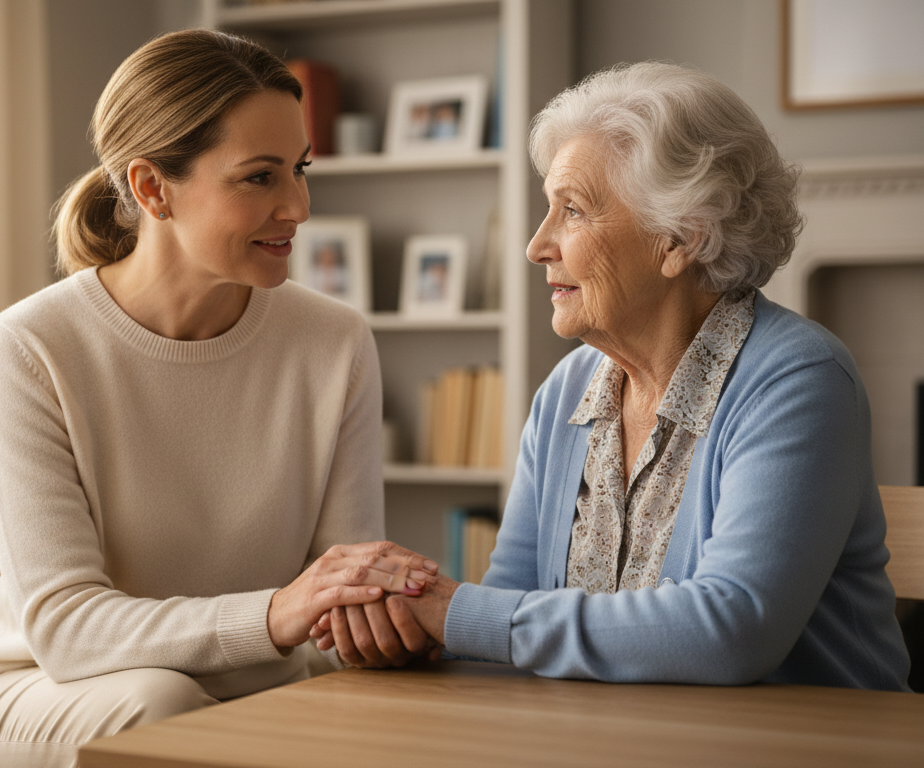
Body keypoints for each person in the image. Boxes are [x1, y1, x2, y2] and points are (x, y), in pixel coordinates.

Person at [313, 61, 911, 690]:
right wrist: (413, 630)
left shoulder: (798, 382)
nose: (537, 246)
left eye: (572, 211)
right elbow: (508, 612)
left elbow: (731, 631)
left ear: (680, 237)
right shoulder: (568, 392)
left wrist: (453, 612)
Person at [0, 29, 437, 768]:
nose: (299, 206)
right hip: (42, 693)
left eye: (299, 170)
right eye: (260, 177)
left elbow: (337, 595)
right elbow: (67, 629)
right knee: (163, 705)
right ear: (151, 188)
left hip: (259, 695)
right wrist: (276, 615)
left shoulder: (334, 341)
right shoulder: (29, 347)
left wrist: (381, 614)